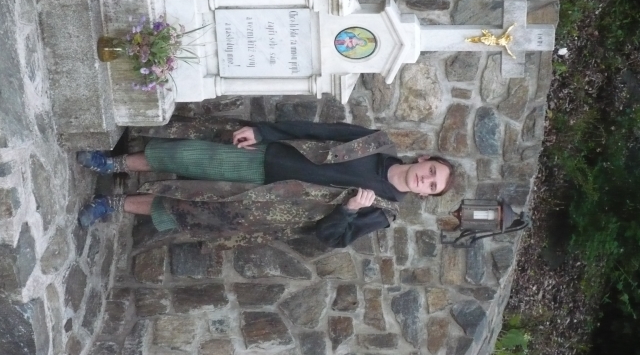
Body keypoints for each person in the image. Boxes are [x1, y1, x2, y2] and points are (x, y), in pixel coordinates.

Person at [76, 120, 454, 248]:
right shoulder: (376, 143)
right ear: (425, 159)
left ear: (425, 194)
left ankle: (111, 204)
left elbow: (331, 238)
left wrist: (350, 210)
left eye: (432, 186)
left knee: (183, 209)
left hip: (263, 205)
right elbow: (318, 130)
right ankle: (112, 163)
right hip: (265, 160)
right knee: (187, 155)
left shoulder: (383, 212)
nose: (427, 180)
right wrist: (263, 132)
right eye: (432, 172)